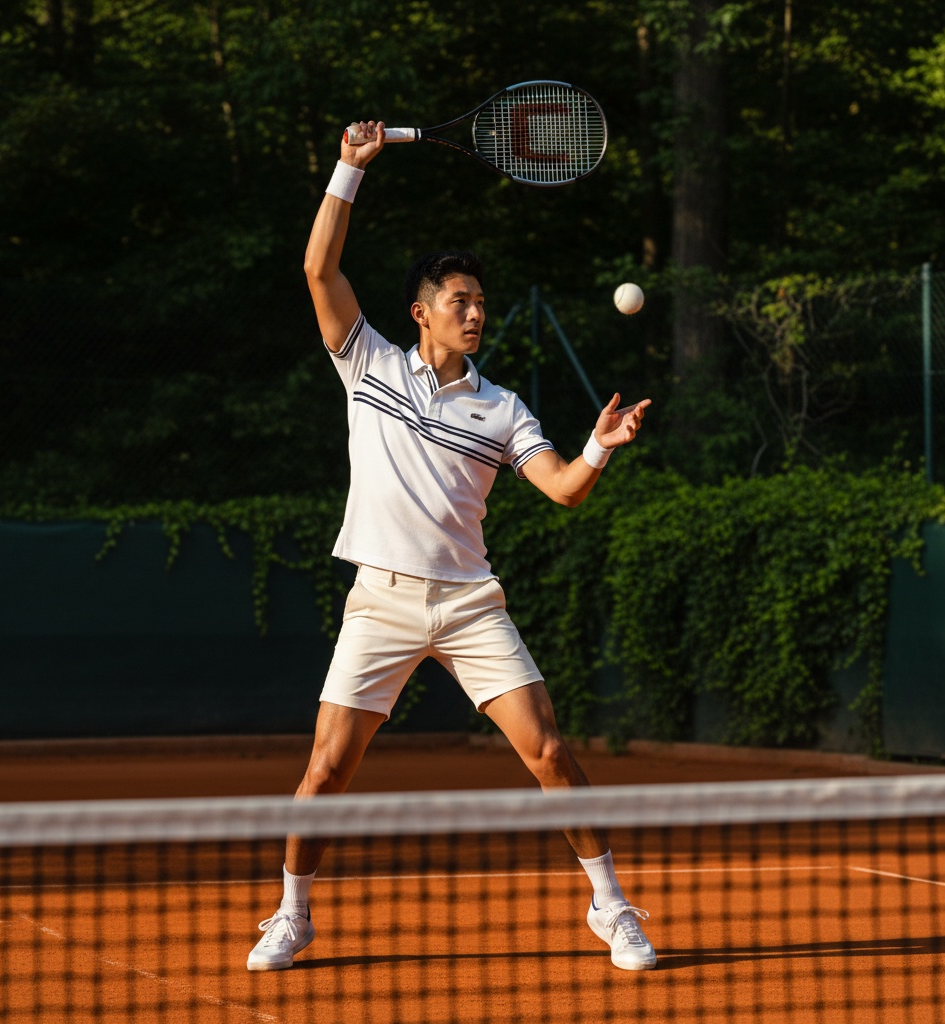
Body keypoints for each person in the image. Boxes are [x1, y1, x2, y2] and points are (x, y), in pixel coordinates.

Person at [247, 121, 656, 974]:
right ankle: (291, 915)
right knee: (324, 770)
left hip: (469, 602)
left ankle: (612, 906)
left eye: (480, 301)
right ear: (420, 312)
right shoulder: (367, 364)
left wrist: (598, 449)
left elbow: (562, 489)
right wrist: (347, 169)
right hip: (382, 599)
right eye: (459, 300)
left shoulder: (504, 409)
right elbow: (320, 269)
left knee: (548, 750)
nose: (475, 313)